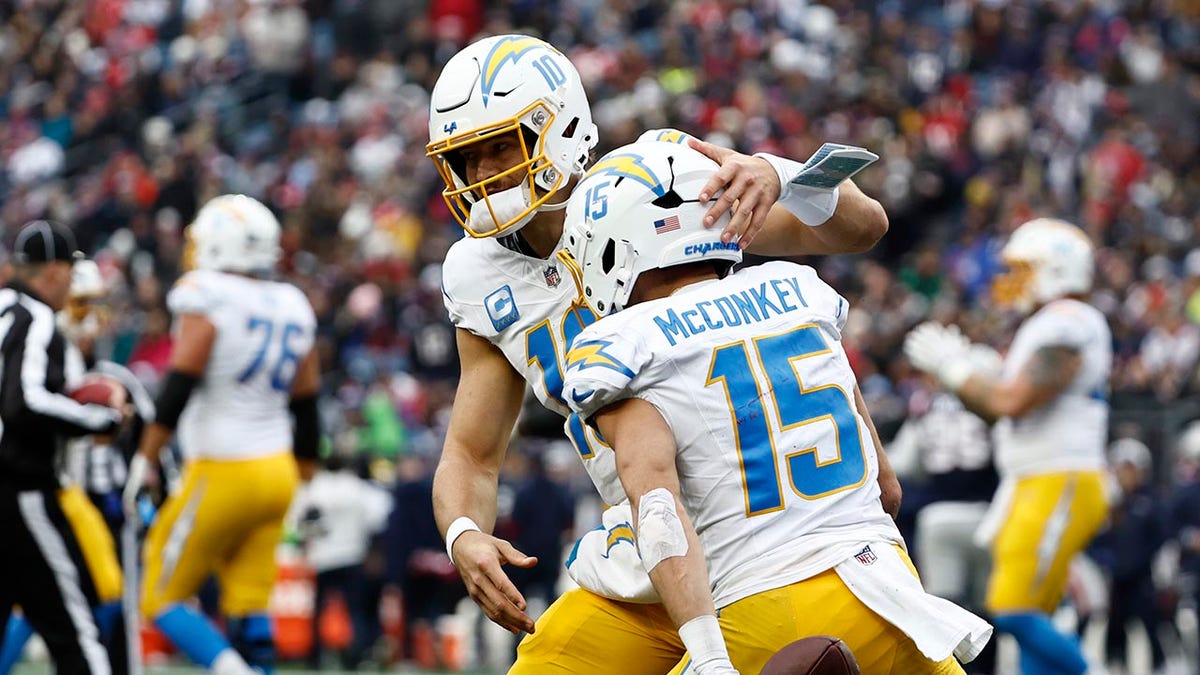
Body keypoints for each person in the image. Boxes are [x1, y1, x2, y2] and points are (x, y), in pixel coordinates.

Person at [426, 33, 895, 673]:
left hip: (755, 530)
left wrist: (779, 175)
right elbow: (471, 455)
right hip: (647, 543)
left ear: (557, 128)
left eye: (501, 146)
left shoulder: (657, 187)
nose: (483, 175)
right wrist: (464, 535)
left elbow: (864, 228)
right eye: (467, 157)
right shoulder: (478, 274)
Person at [557, 140, 990, 673]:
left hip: (764, 608)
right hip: (891, 596)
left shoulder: (625, 342)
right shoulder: (798, 290)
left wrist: (709, 656)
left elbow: (659, 513)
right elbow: (887, 489)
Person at [904, 217, 1113, 675]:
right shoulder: (1051, 323)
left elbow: (1007, 403)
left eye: (1020, 269)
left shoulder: (1068, 322)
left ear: (1054, 270)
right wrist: (960, 379)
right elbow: (1001, 409)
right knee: (1031, 610)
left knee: (1012, 609)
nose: (1008, 281)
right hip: (1038, 479)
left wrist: (956, 369)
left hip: (1058, 477)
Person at [123, 194, 321, 675]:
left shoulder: (207, 292)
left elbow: (180, 380)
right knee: (250, 601)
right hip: (278, 471)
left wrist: (146, 457)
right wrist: (305, 474)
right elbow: (308, 402)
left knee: (159, 593)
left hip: (223, 467)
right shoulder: (292, 302)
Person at [0, 260, 156, 675]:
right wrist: (95, 414)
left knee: (84, 598)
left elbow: (147, 445)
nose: (90, 317)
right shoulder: (38, 336)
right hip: (45, 497)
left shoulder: (108, 373)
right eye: (82, 303)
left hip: (84, 501)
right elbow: (32, 404)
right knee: (64, 606)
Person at [289, 451, 393, 670]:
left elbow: (301, 524)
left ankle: (315, 657)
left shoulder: (314, 489)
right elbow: (376, 521)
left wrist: (309, 544)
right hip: (352, 555)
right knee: (355, 610)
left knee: (318, 611)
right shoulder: (358, 488)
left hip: (323, 557)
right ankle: (356, 656)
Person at [1091, 439, 1168, 672]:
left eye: (1131, 469)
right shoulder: (1106, 503)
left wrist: (1143, 562)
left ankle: (1160, 664)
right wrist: (1105, 562)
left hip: (1143, 577)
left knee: (1152, 625)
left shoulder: (1151, 502)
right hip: (1115, 577)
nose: (1126, 475)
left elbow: (1160, 538)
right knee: (1114, 627)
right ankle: (1114, 664)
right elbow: (1095, 539)